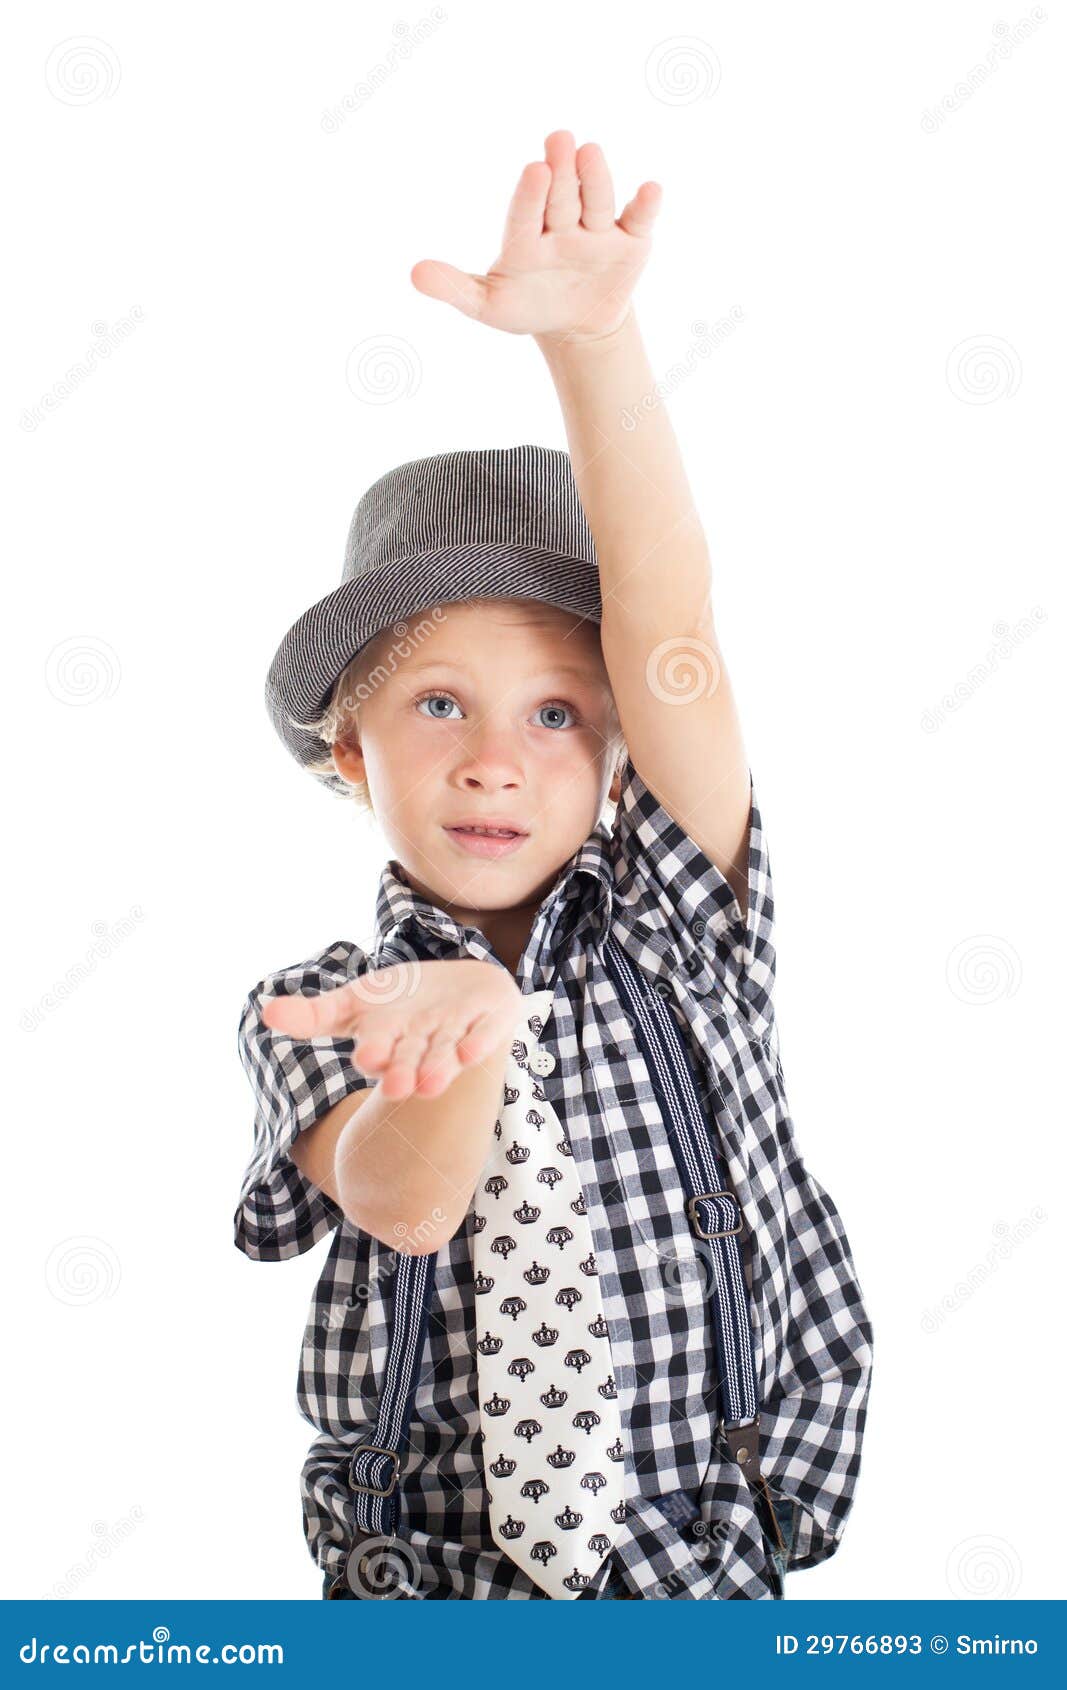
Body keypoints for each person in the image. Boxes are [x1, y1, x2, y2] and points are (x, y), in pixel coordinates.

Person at [233, 129, 872, 1600]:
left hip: (709, 1572)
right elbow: (402, 1201)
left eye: (560, 714)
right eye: (439, 703)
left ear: (622, 744)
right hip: (435, 1586)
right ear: (353, 751)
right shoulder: (318, 1006)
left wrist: (595, 344)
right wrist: (450, 1038)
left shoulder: (683, 922)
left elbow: (673, 638)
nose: (496, 760)